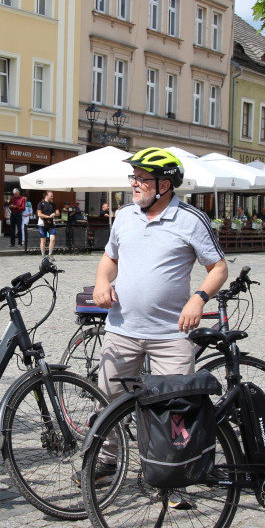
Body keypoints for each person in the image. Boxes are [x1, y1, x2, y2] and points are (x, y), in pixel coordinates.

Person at [83, 147, 228, 484]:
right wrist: (102, 280)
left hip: (171, 334)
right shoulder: (124, 215)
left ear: (164, 185)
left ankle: (174, 474)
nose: (134, 184)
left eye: (142, 178)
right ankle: (106, 463)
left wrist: (198, 298)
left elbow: (218, 267)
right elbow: (110, 259)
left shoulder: (191, 219)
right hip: (122, 329)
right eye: (133, 177)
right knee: (108, 399)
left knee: (174, 409)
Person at [37, 191, 59, 257]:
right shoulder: (41, 204)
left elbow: (58, 213)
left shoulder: (53, 204)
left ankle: (50, 254)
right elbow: (39, 214)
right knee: (43, 240)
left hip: (51, 224)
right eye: (51, 195)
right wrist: (47, 216)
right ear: (46, 196)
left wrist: (54, 214)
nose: (52, 197)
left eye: (52, 195)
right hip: (42, 224)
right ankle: (43, 254)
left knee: (53, 239)